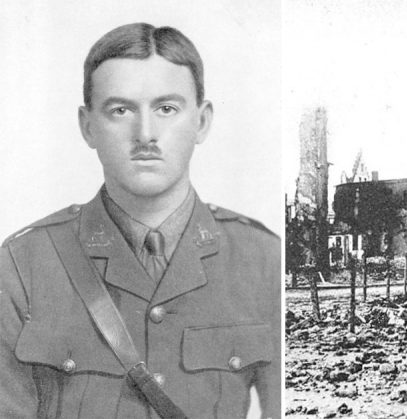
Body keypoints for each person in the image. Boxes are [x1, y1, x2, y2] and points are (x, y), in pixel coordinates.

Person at [0, 23, 280, 418]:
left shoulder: (262, 259)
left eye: (167, 109)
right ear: (87, 126)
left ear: (201, 122)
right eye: (121, 110)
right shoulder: (21, 266)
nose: (146, 134)